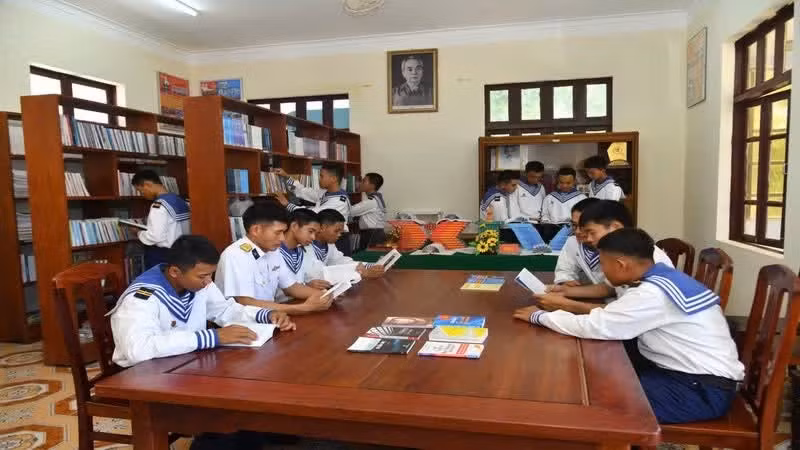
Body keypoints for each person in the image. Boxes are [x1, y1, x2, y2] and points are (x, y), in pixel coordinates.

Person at [514, 228, 744, 424]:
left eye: (603, 264)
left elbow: (598, 325)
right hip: (690, 377)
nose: (602, 272)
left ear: (622, 264)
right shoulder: (662, 278)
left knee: (593, 407)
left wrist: (539, 317)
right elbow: (613, 319)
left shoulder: (652, 293)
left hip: (698, 390)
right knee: (598, 376)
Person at [109, 235, 296, 367]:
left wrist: (266, 315)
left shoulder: (197, 283)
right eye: (203, 276)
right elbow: (138, 350)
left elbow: (224, 311)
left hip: (187, 362)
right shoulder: (142, 298)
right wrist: (212, 337)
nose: (208, 282)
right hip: (144, 375)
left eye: (210, 275)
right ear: (175, 272)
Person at [536, 200, 674, 314]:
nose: (587, 238)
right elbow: (608, 287)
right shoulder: (624, 251)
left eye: (591, 232)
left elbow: (623, 316)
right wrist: (565, 290)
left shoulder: (645, 258)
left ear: (615, 227)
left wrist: (565, 305)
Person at [215, 204, 333, 315]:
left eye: (283, 232)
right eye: (278, 232)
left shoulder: (273, 251)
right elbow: (245, 303)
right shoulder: (236, 255)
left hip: (269, 318)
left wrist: (325, 295)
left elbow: (291, 287)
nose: (282, 238)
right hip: (242, 325)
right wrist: (300, 308)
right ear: (256, 230)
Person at [273, 164, 352, 254]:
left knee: (339, 266)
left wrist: (287, 204)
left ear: (333, 179)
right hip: (328, 238)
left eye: (322, 176)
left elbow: (313, 214)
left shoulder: (340, 201)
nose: (319, 179)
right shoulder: (326, 193)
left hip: (338, 240)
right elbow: (304, 191)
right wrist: (287, 177)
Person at [128, 170, 190, 268]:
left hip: (163, 255)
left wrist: (138, 233)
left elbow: (155, 236)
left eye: (141, 190)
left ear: (147, 185)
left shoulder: (159, 205)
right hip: (183, 251)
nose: (142, 194)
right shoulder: (180, 201)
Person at [304, 209, 384, 281]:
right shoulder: (306, 246)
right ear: (322, 228)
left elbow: (341, 261)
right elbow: (319, 273)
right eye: (336, 231)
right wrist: (361, 274)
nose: (339, 235)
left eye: (341, 232)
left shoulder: (329, 244)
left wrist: (372, 266)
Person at [274, 209, 331, 301]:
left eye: (315, 233)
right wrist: (306, 286)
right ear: (294, 226)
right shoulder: (273, 251)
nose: (313, 237)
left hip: (300, 303)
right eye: (310, 231)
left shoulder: (304, 250)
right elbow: (277, 290)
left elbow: (318, 271)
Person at [553, 197, 601, 286]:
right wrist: (566, 281)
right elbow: (564, 270)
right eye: (574, 225)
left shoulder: (614, 247)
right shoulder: (573, 242)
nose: (578, 231)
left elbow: (610, 289)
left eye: (584, 225)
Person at [350, 172, 387, 251]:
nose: (360, 183)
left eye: (364, 181)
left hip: (372, 235)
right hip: (375, 234)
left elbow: (351, 211)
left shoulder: (371, 201)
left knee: (369, 259)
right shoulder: (376, 198)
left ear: (372, 185)